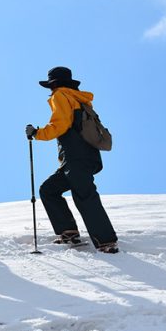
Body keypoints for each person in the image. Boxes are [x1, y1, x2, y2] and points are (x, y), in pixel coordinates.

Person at [26, 66, 118, 253]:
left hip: (76, 158)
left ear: (54, 84)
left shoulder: (60, 96)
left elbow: (60, 124)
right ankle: (68, 232)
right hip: (85, 157)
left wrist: (37, 133)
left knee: (84, 196)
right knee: (49, 189)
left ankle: (106, 241)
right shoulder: (80, 100)